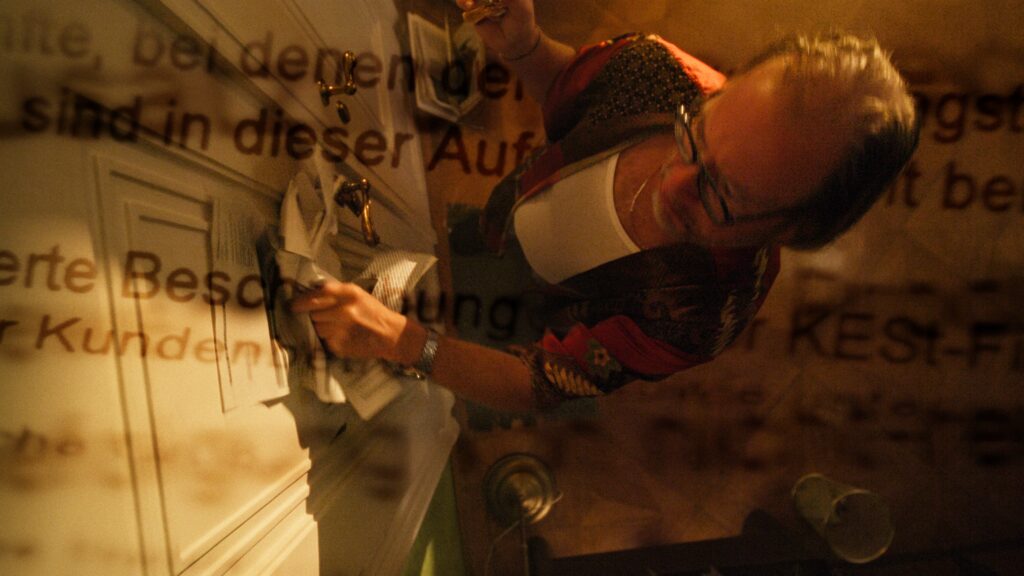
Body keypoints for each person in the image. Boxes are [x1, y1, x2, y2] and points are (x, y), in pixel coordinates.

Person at [291, 0, 919, 411]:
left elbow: (540, 383)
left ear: (796, 229)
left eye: (725, 196)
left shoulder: (701, 315)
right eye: (695, 133)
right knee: (456, 247)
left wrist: (407, 345)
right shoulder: (656, 69)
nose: (674, 183)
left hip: (524, 328)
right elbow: (571, 88)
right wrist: (524, 45)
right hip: (504, 222)